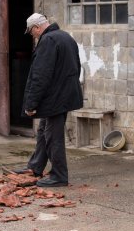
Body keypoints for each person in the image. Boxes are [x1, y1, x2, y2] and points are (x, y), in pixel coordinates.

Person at [14, 13, 83, 187]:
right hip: (64, 95)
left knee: (53, 136)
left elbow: (40, 76)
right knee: (44, 131)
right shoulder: (65, 37)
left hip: (56, 97)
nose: (33, 36)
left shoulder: (48, 41)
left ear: (37, 27)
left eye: (31, 32)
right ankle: (36, 166)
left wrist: (31, 104)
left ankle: (59, 176)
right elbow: (77, 65)